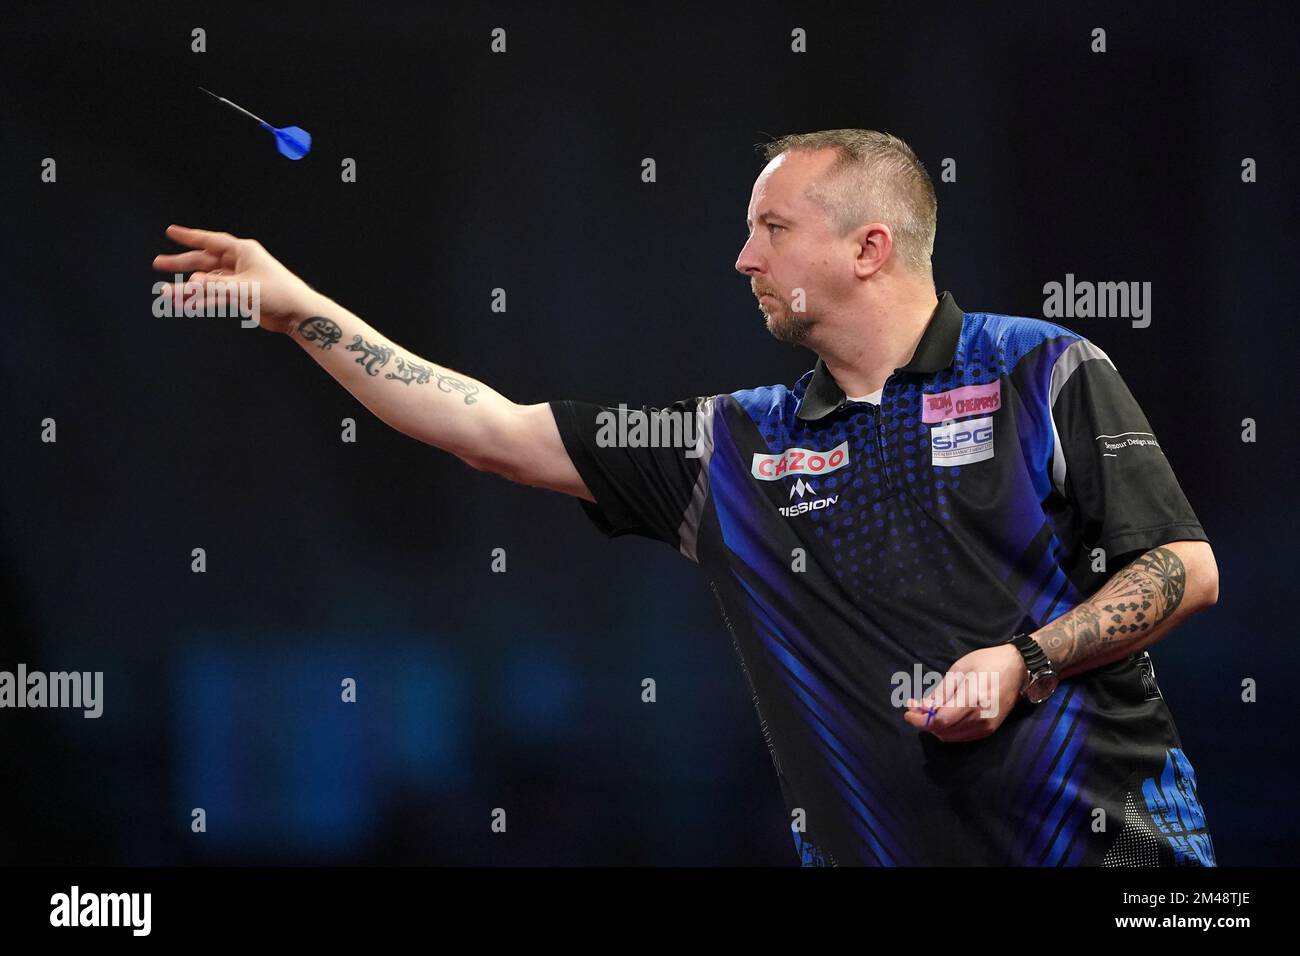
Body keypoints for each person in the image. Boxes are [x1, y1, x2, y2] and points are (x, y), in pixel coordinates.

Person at [153, 128, 1219, 866]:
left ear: (866, 246)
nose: (741, 255)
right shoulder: (732, 442)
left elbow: (1184, 565)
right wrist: (300, 311)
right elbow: (491, 428)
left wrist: (1024, 660)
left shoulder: (1043, 368)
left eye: (771, 227)